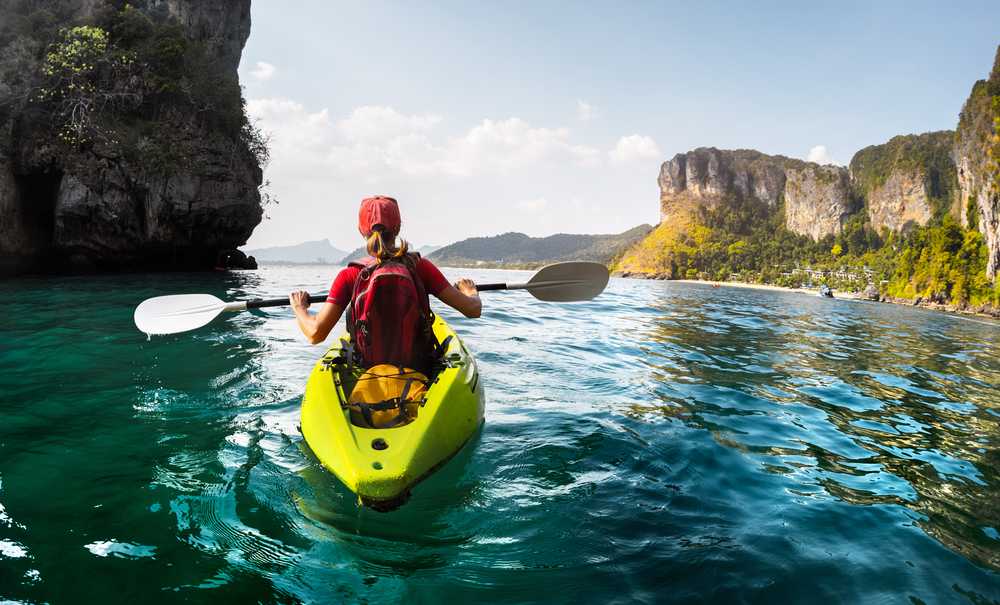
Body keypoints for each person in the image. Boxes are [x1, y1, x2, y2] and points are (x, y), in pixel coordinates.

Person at [289, 196, 481, 355]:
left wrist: (299, 308)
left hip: (369, 369)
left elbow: (315, 334)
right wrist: (470, 292)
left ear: (361, 231)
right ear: (398, 228)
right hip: (418, 367)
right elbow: (473, 310)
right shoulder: (420, 267)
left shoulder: (350, 275)